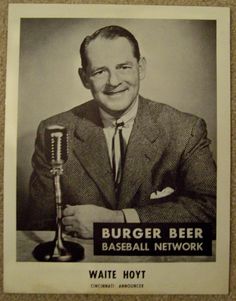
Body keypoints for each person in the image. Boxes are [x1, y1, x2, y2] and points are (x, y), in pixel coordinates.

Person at [28, 25, 216, 239]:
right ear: (84, 78)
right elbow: (38, 225)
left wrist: (119, 221)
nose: (114, 82)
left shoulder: (185, 129)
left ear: (141, 68)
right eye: (100, 71)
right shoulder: (55, 131)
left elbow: (211, 207)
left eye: (124, 67)